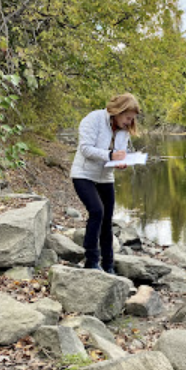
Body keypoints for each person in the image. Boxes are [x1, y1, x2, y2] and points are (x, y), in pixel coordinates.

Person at [70, 93, 140, 272]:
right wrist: (109, 155)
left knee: (107, 220)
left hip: (106, 177)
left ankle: (108, 265)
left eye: (132, 119)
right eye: (128, 118)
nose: (129, 122)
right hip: (83, 174)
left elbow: (119, 153)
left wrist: (121, 162)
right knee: (97, 211)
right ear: (118, 111)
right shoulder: (93, 119)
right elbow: (85, 148)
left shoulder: (124, 131)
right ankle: (91, 260)